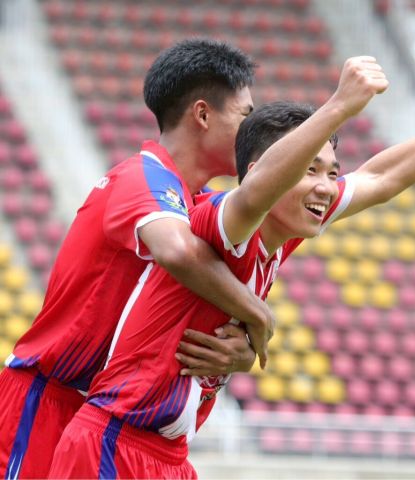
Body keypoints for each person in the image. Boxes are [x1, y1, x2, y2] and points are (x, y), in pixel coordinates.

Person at [48, 58, 415, 477]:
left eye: (332, 172)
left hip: (168, 455)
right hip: (113, 444)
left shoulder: (286, 231)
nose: (326, 187)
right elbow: (254, 193)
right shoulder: (222, 222)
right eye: (308, 170)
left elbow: (381, 177)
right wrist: (338, 106)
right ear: (261, 173)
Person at [0, 38, 270, 479]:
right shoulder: (142, 177)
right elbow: (177, 251)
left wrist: (240, 352)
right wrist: (258, 315)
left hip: (114, 421)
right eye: (245, 115)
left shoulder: (201, 204)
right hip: (48, 402)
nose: (252, 131)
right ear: (203, 115)